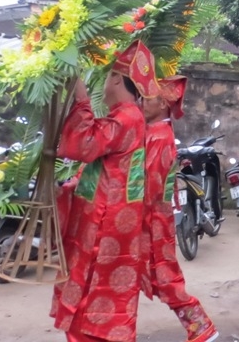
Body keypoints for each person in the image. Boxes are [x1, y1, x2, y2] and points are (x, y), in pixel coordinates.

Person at [51, 40, 161, 342]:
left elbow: (84, 145)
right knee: (89, 302)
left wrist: (81, 98)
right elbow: (110, 169)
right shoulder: (128, 117)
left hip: (105, 228)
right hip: (110, 221)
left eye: (107, 76)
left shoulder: (127, 117)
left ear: (116, 79)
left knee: (91, 307)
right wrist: (74, 185)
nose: (103, 84)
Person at [141, 75, 219, 342]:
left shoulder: (160, 136)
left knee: (164, 276)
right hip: (150, 214)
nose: (142, 103)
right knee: (155, 275)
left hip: (151, 216)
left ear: (163, 104)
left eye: (147, 99)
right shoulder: (153, 132)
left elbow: (150, 181)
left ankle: (202, 327)